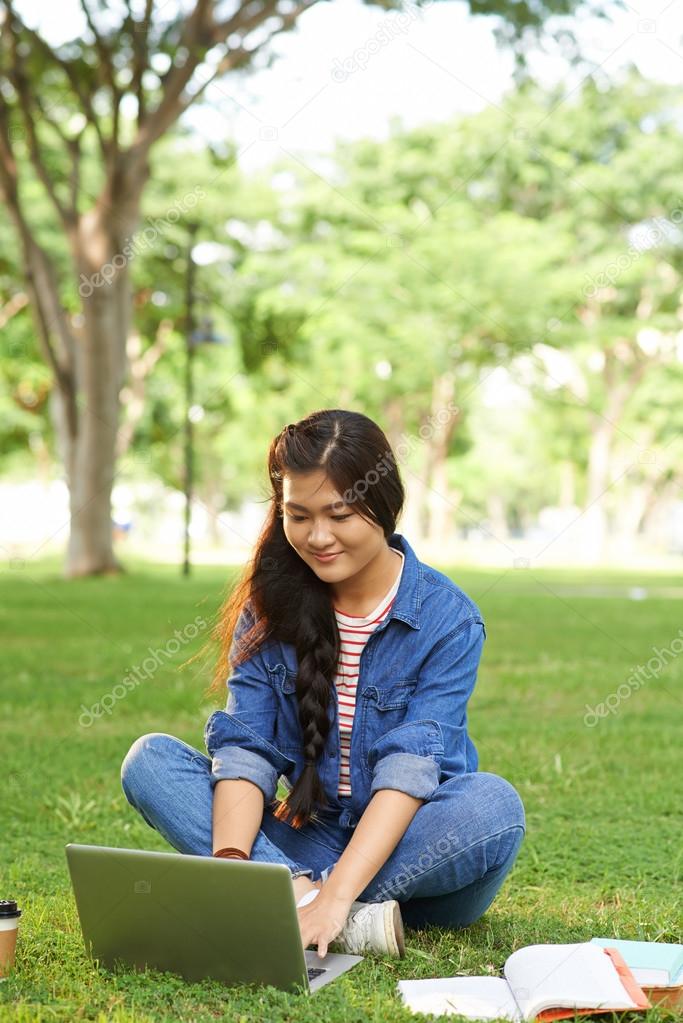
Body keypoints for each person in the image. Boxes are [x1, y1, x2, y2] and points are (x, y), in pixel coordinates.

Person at [120, 408, 525, 962]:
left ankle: (319, 907)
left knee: (491, 807)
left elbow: (409, 772)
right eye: (299, 515)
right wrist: (239, 867)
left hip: (416, 850)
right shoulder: (269, 608)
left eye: (339, 515)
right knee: (151, 762)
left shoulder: (448, 618)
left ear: (383, 507)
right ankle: (292, 899)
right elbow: (246, 751)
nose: (317, 538)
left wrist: (336, 893)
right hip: (307, 839)